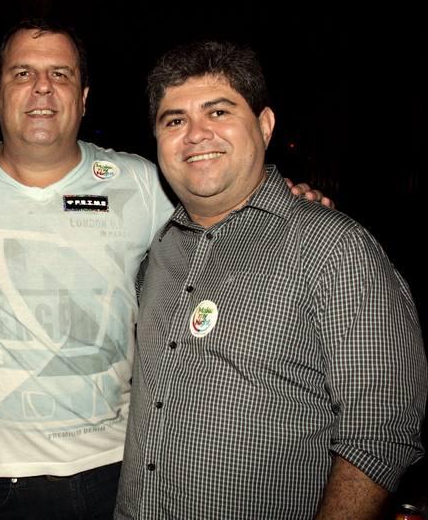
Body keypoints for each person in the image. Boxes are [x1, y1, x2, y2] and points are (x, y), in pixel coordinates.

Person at [0, 20, 329, 518]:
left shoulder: (140, 183)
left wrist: (287, 197)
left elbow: (224, 213)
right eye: (22, 73)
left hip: (117, 470)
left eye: (60, 74)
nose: (42, 87)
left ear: (83, 98)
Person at [116, 40, 427, 519]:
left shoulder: (335, 249)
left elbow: (380, 434)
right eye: (175, 121)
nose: (196, 134)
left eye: (218, 112)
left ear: (264, 126)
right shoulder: (158, 249)